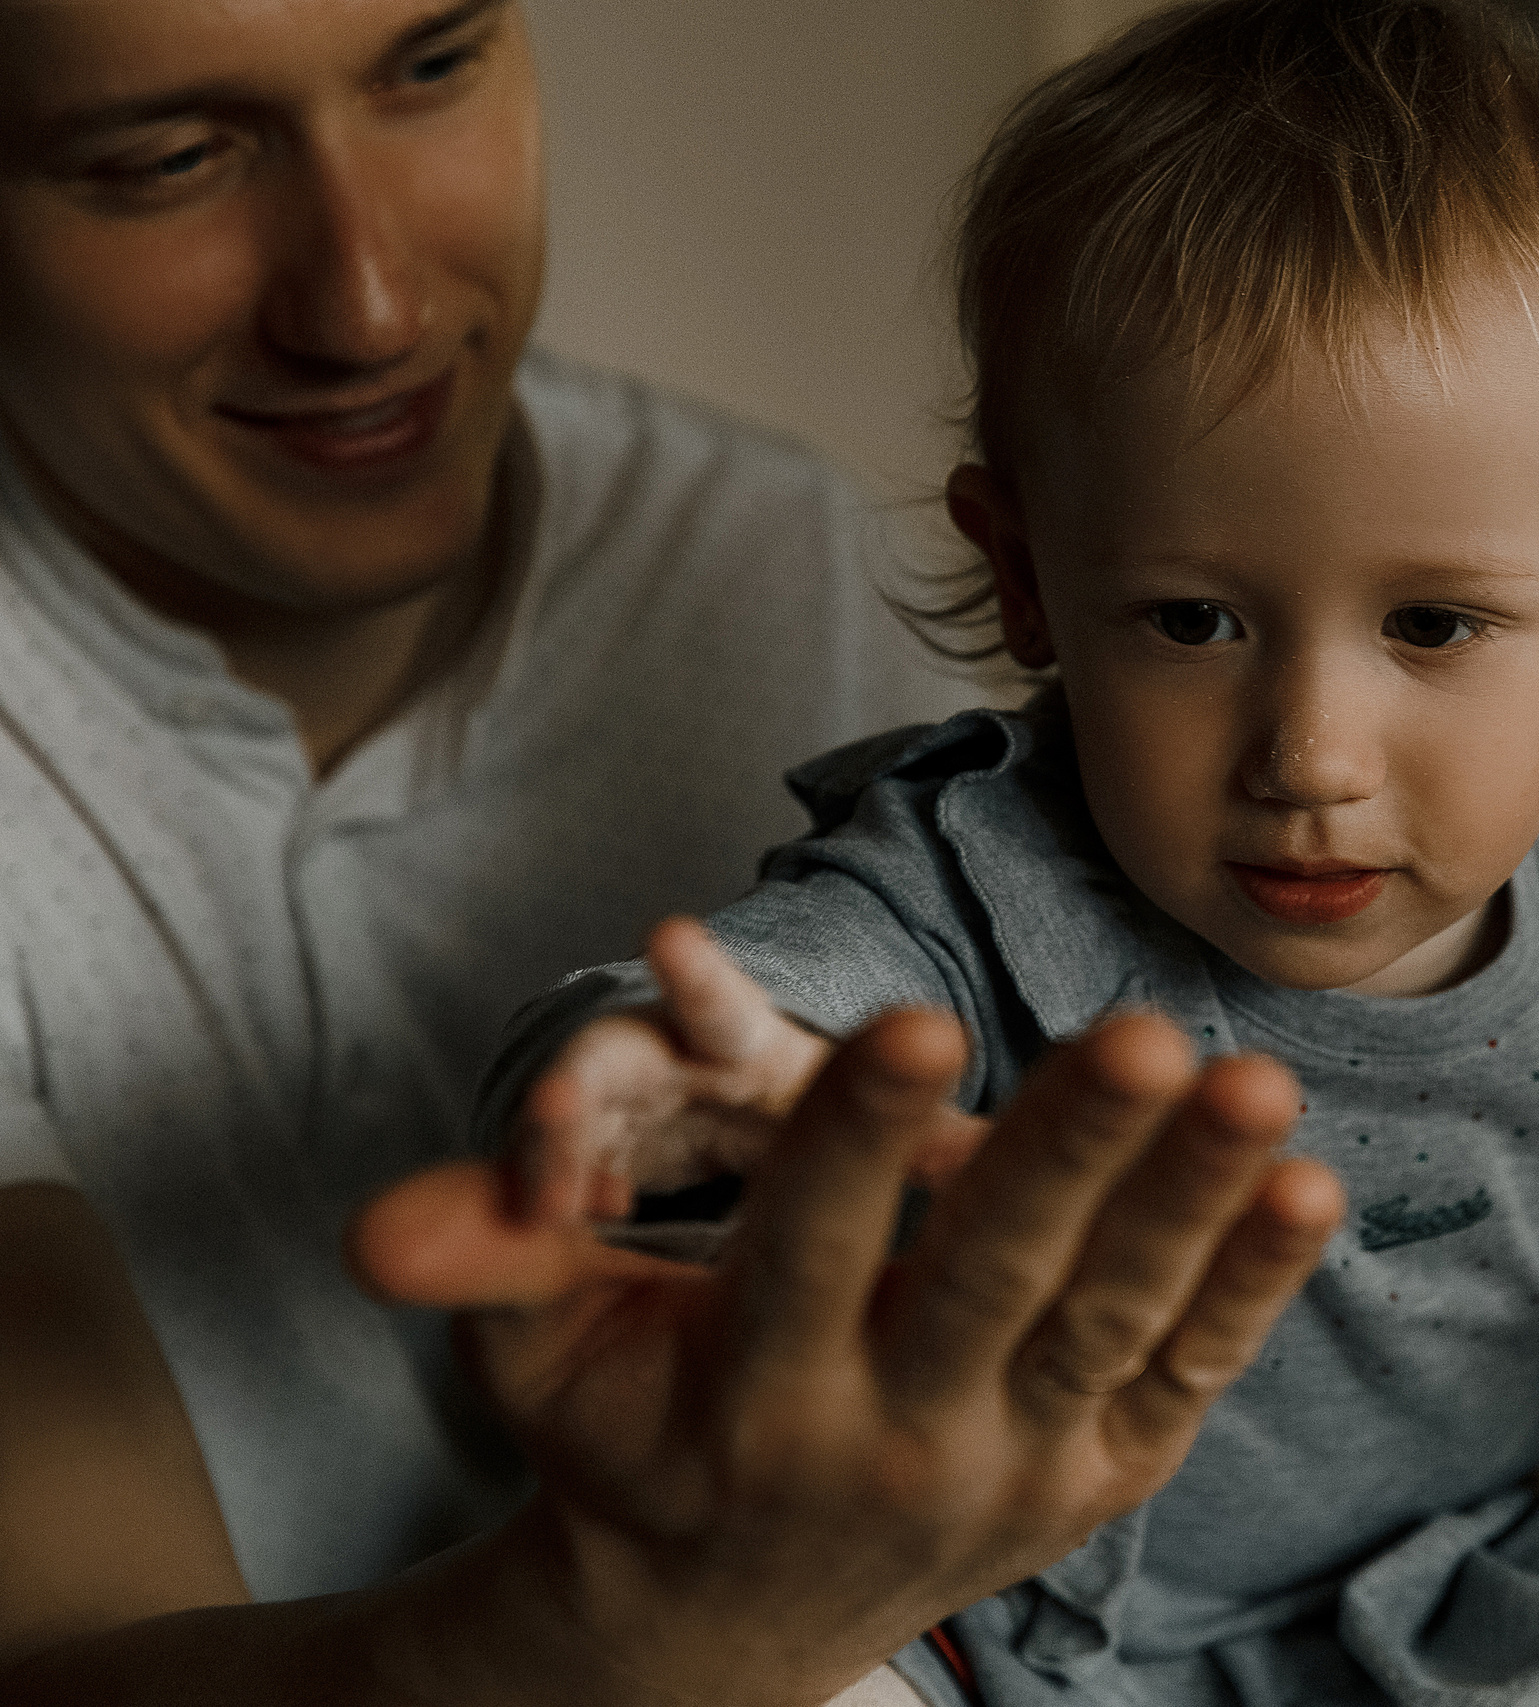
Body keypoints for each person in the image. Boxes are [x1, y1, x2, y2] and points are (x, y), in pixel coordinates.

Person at [490, 4, 1539, 1704]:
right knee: (745, 1676)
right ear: (1031, 578)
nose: (1309, 759)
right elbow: (776, 994)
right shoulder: (982, 881)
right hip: (1003, 1625)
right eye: (1192, 620)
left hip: (1478, 1587)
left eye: (1433, 621)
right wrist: (655, 1082)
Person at [0, 1, 1339, 1701]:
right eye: (166, 159)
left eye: (431, 67)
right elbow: (58, 1657)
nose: (370, 305)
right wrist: (651, 1626)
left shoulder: (788, 582)